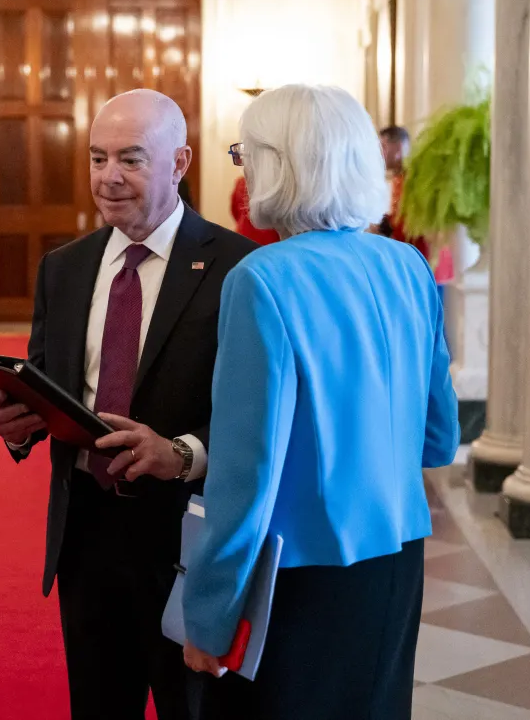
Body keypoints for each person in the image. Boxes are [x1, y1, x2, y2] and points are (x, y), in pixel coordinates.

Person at [180, 84, 460, 718]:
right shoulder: (407, 266)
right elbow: (440, 437)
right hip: (396, 557)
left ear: (277, 163)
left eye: (243, 153)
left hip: (297, 577)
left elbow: (245, 477)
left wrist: (209, 614)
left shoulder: (262, 277)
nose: (243, 168)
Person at [0, 89, 256, 720]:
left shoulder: (238, 268)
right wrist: (17, 424)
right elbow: (48, 381)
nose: (108, 178)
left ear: (179, 162)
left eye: (130, 160)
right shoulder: (64, 268)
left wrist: (180, 452)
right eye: (97, 158)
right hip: (87, 536)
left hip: (188, 538)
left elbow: (259, 414)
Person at [376, 124, 454, 286]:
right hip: (414, 263)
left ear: (398, 147)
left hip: (428, 263)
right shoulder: (401, 177)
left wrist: (385, 225)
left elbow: (418, 222)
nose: (379, 154)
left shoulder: (419, 178)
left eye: (383, 146)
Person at [229, 176, 280, 245]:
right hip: (271, 244)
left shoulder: (242, 182)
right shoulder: (279, 185)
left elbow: (235, 211)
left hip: (242, 239)